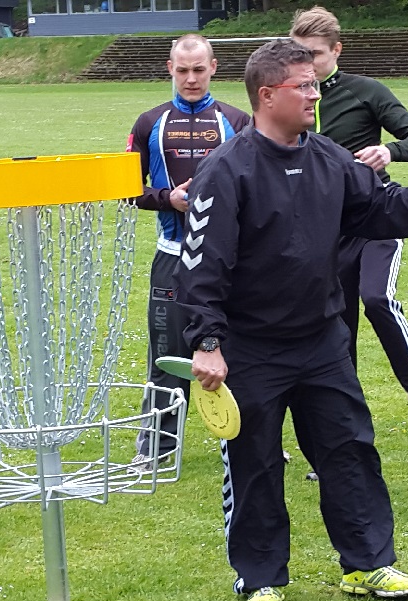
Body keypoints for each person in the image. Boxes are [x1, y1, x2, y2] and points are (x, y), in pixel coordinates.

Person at [175, 39, 408, 601]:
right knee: (254, 461)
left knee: (349, 450)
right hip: (249, 348)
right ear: (267, 95)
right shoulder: (226, 171)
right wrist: (206, 343)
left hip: (322, 341)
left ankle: (367, 563)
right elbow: (201, 267)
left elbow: (380, 210)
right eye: (302, 86)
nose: (313, 94)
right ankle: (259, 578)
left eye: (314, 83)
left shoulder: (331, 158)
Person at [289, 5, 408, 444]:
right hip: (324, 230)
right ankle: (341, 435)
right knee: (337, 327)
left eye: (315, 54)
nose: (308, 65)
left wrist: (389, 152)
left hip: (376, 218)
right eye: (299, 54)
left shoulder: (364, 91)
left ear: (336, 50)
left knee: (377, 299)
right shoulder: (292, 99)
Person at [127, 33, 250, 472]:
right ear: (170, 69)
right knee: (165, 350)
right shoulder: (149, 123)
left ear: (214, 67)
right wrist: (167, 199)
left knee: (241, 349)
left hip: (229, 257)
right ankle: (156, 446)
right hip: (172, 252)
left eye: (199, 70)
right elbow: (126, 191)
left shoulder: (238, 120)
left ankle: (249, 442)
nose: (191, 79)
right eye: (183, 70)